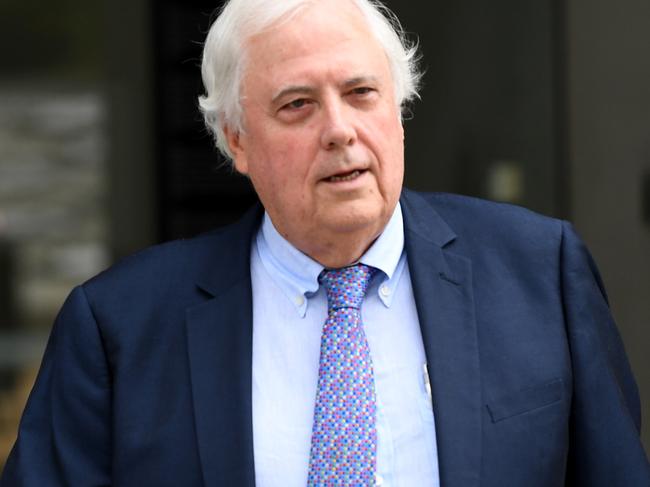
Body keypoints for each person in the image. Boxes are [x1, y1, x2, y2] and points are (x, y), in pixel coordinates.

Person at [2, 0, 649, 485]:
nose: (339, 130)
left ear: (397, 110)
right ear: (236, 140)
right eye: (297, 105)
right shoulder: (120, 325)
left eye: (361, 92)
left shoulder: (540, 272)